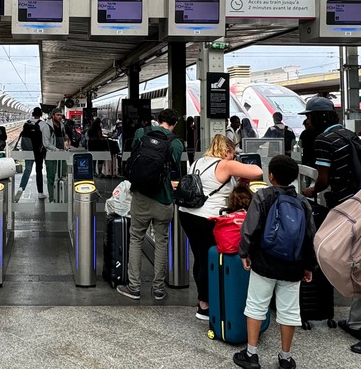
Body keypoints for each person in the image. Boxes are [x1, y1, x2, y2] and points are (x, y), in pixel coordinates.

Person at [299, 96, 361, 355]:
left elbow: (323, 179)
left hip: (347, 207)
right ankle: (355, 321)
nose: (306, 121)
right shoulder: (347, 134)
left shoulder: (323, 140)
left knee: (358, 264)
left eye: (309, 117)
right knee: (356, 260)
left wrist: (309, 191)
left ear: (319, 118)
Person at [233, 155, 316, 369]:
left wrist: (244, 253)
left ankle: (251, 354)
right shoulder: (303, 202)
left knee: (256, 305)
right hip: (293, 265)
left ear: (271, 176)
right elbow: (310, 237)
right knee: (289, 310)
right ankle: (285, 358)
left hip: (264, 262)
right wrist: (308, 266)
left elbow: (249, 229)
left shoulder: (262, 196)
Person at [179, 134, 263, 321]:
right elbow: (256, 171)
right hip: (207, 218)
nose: (233, 157)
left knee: (200, 258)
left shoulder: (199, 162)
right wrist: (240, 165)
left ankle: (204, 300)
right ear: (227, 151)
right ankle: (205, 305)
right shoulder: (224, 163)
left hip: (187, 214)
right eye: (233, 153)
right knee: (210, 259)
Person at [116, 108, 184, 301]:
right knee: (162, 242)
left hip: (141, 196)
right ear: (174, 123)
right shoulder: (176, 143)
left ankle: (134, 287)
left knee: (136, 238)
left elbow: (134, 158)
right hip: (163, 199)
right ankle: (159, 289)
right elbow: (174, 169)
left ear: (158, 119)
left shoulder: (142, 133)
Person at [14, 107, 48, 202]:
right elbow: (45, 140)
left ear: (33, 114)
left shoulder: (27, 122)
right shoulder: (43, 124)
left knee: (28, 169)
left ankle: (21, 187)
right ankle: (40, 193)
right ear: (40, 114)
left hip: (28, 149)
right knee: (39, 171)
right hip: (38, 151)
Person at [46, 108, 70, 202]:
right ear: (53, 115)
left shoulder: (62, 125)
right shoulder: (47, 126)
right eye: (57, 115)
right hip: (51, 154)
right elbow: (46, 143)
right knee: (51, 176)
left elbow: (64, 137)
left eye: (61, 115)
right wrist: (56, 149)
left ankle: (61, 197)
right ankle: (52, 197)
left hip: (61, 153)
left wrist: (66, 141)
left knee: (63, 174)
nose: (60, 117)